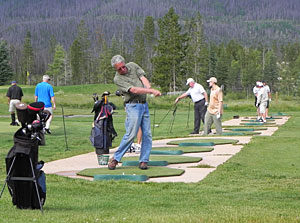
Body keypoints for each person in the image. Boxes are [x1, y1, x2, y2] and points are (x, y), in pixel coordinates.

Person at [108, 55, 161, 170]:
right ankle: (115, 159)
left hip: (143, 104)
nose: (122, 70)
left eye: (122, 67)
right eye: (119, 69)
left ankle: (144, 161)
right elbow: (134, 90)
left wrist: (148, 87)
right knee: (131, 134)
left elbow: (142, 78)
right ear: (116, 69)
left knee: (147, 134)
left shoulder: (133, 65)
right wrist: (151, 91)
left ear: (124, 63)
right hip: (132, 106)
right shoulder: (118, 79)